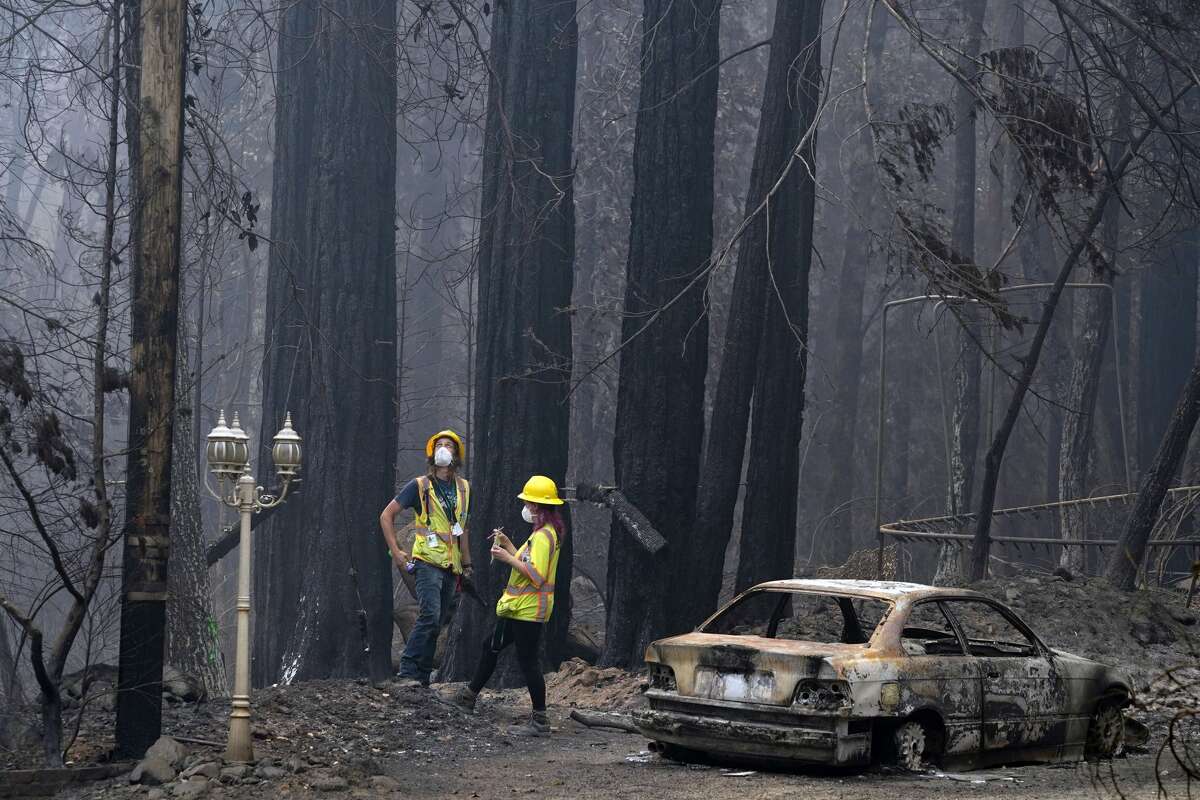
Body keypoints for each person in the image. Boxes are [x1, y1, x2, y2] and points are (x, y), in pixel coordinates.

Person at [438, 475, 564, 736]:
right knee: (491, 646)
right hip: (518, 608)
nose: (526, 508)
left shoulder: (542, 537)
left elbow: (537, 574)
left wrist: (507, 557)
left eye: (528, 503)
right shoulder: (543, 534)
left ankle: (540, 721)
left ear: (537, 507)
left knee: (528, 661)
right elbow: (530, 562)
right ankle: (469, 698)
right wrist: (510, 546)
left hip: (528, 610)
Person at [379, 429, 473, 687]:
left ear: (456, 454)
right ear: (432, 454)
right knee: (429, 616)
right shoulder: (419, 486)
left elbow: (463, 528)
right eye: (439, 445)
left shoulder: (464, 489)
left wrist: (467, 564)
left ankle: (420, 678)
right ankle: (408, 671)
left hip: (451, 566)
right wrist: (397, 552)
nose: (444, 449)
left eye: (449, 445)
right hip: (427, 562)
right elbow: (386, 516)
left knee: (438, 621)